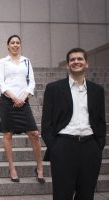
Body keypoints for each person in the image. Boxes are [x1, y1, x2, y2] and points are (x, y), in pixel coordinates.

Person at [41, 48, 106, 200]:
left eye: (80, 59)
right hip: (63, 146)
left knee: (86, 195)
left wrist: (99, 144)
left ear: (86, 64)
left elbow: (101, 121)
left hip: (90, 147)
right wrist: (55, 147)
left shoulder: (97, 91)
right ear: (67, 65)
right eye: (72, 60)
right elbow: (46, 123)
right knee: (62, 195)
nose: (76, 62)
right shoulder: (54, 89)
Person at [0, 34, 45, 183]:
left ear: (20, 45)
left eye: (18, 43)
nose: (15, 45)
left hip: (23, 102)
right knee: (7, 136)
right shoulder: (3, 62)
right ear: (8, 45)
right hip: (7, 102)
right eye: (12, 42)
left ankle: (40, 167)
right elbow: (1, 83)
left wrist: (22, 98)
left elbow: (31, 83)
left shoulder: (27, 61)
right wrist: (14, 97)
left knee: (35, 134)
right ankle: (12, 168)